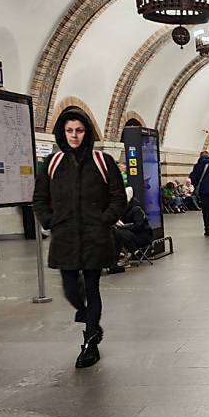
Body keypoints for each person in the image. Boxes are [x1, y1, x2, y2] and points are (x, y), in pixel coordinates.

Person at [33, 110, 128, 368]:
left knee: (93, 287)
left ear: (87, 133)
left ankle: (90, 342)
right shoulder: (52, 163)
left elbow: (118, 196)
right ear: (62, 133)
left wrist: (105, 219)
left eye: (79, 130)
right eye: (69, 131)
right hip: (65, 235)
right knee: (70, 287)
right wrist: (49, 220)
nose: (74, 136)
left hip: (95, 234)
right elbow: (40, 198)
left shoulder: (102, 161)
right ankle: (89, 318)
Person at [109, 186, 153, 273]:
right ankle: (118, 255)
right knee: (114, 232)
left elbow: (139, 226)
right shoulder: (124, 208)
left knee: (118, 233)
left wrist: (124, 226)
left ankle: (124, 255)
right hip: (130, 232)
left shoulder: (136, 209)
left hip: (142, 235)